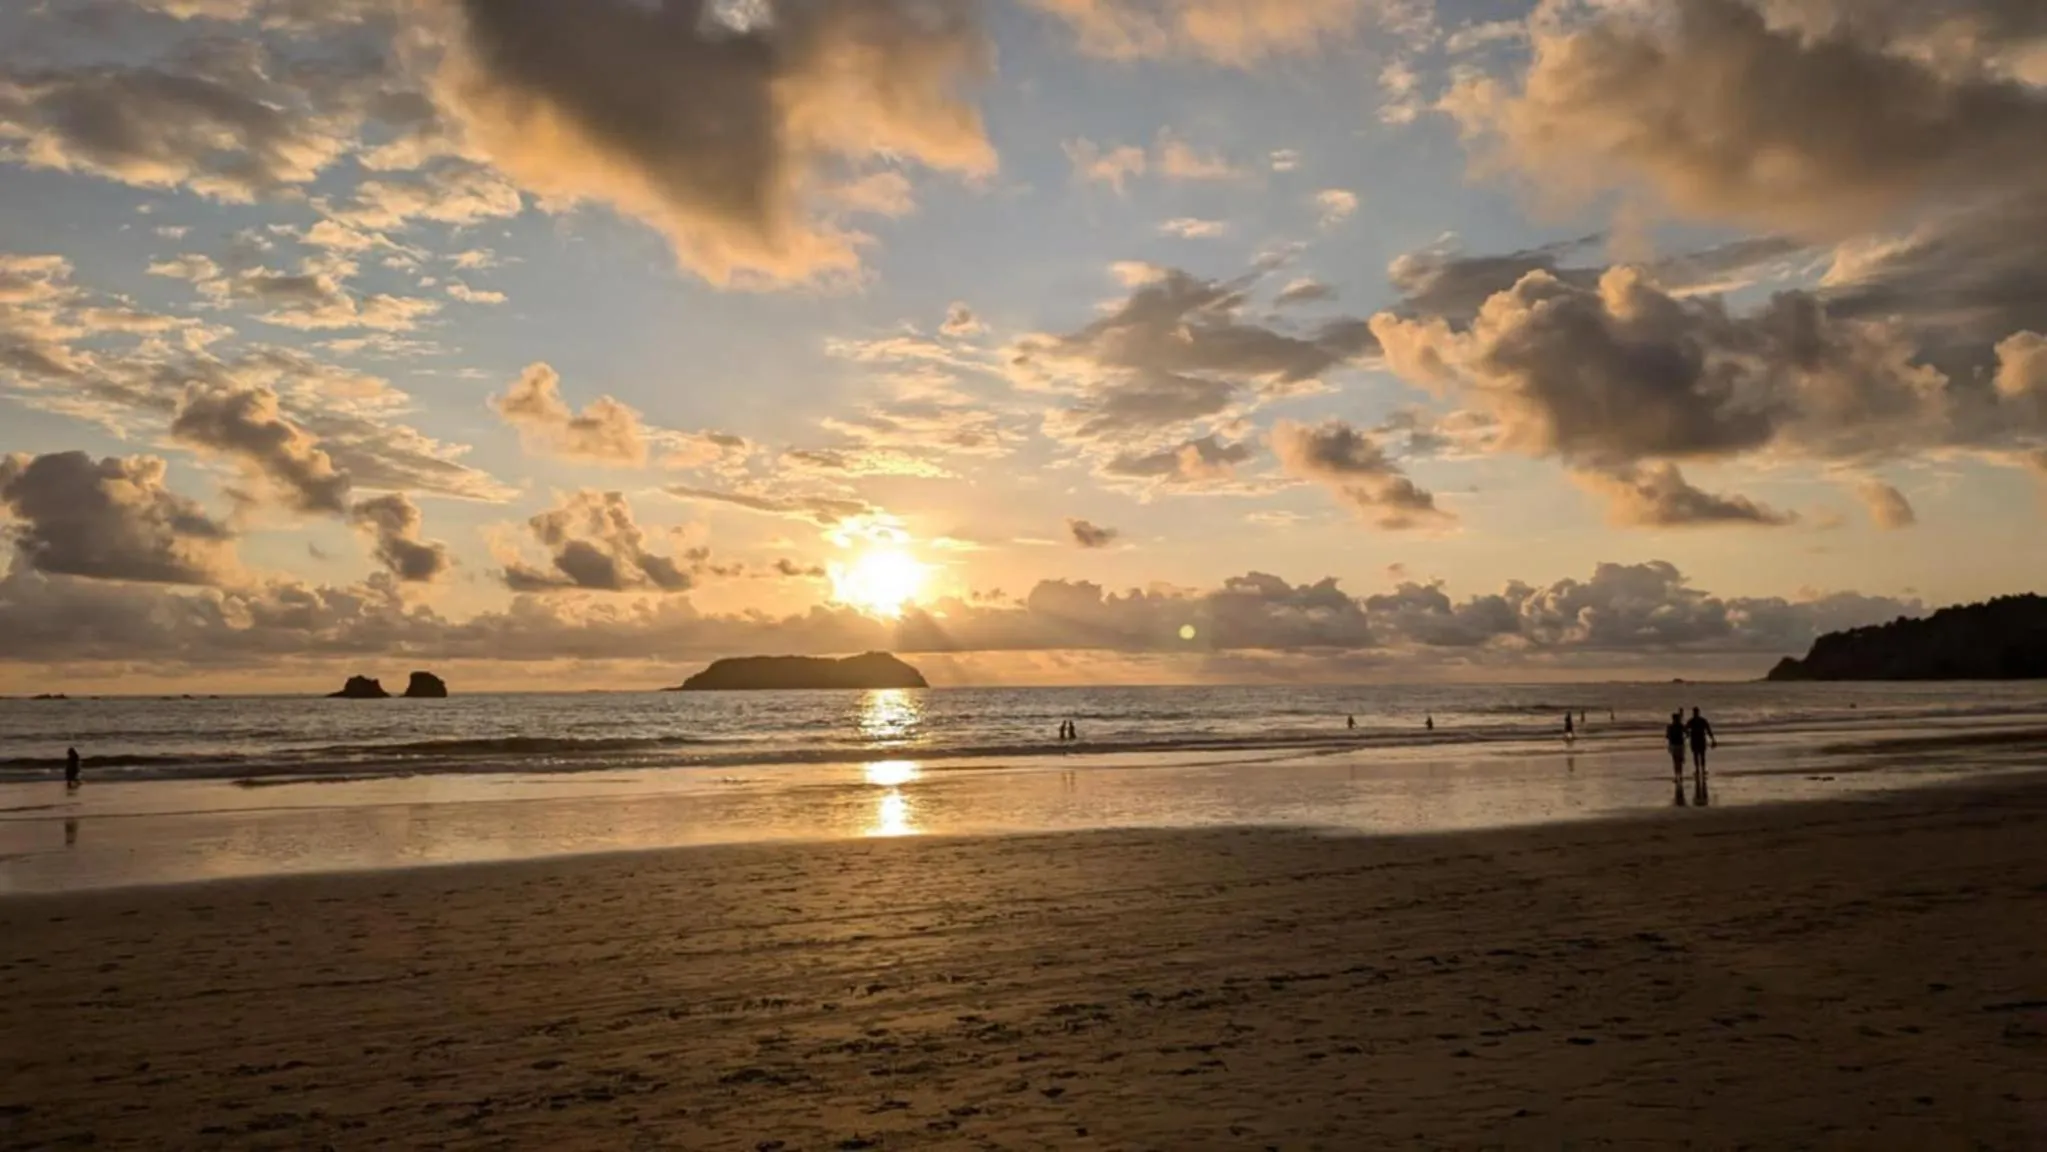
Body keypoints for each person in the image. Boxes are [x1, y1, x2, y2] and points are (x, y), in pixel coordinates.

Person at [1687, 707, 1717, 774]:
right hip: (1696, 740)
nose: (1695, 713)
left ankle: (1701, 769)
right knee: (1697, 755)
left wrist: (1713, 739)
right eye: (1695, 712)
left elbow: (1708, 730)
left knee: (1701, 755)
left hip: (1699, 740)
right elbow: (1685, 729)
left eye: (1696, 712)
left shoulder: (1699, 721)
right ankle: (1698, 769)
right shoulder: (1695, 721)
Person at [1664, 712, 1686, 779]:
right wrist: (1684, 737)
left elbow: (1667, 736)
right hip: (1679, 744)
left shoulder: (1670, 726)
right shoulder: (1680, 726)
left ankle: (1677, 776)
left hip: (1674, 745)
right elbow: (1687, 732)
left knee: (1676, 761)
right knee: (1679, 761)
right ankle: (1679, 775)